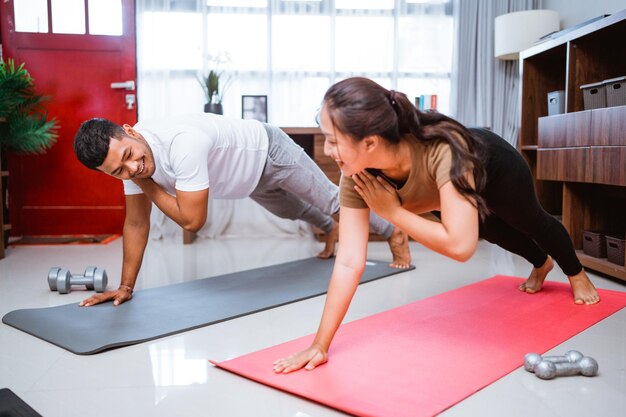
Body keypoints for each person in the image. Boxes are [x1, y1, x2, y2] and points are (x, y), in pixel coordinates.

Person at [272, 77, 600, 374]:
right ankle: (541, 263)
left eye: (332, 140)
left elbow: (460, 248)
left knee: (529, 220)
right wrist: (320, 345)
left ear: (370, 142)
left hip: (495, 168)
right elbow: (348, 261)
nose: (327, 151)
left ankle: (576, 273)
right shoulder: (356, 175)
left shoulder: (444, 151)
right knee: (494, 232)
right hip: (446, 193)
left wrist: (392, 211)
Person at [73, 113, 411, 307]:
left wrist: (147, 184)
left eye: (130, 156)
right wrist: (125, 286)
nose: (132, 169)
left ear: (130, 132)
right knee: (292, 212)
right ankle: (330, 229)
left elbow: (193, 220)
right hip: (249, 181)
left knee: (331, 200)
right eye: (118, 171)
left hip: (269, 151)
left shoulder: (180, 143)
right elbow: (135, 224)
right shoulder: (131, 164)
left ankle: (393, 231)